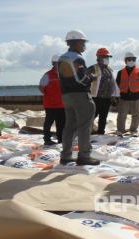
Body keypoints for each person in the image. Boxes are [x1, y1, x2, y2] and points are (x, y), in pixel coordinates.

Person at [58, 30, 100, 166]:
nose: (83, 46)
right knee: (84, 127)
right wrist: (92, 77)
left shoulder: (61, 58)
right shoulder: (77, 58)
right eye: (82, 43)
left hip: (66, 96)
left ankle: (65, 156)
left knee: (69, 127)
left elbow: (65, 77)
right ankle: (84, 156)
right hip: (80, 96)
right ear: (75, 42)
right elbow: (82, 79)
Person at [88, 48, 119, 135]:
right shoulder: (92, 68)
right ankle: (86, 133)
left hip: (107, 98)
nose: (107, 59)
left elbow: (112, 84)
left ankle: (101, 132)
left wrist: (113, 97)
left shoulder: (109, 69)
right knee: (92, 116)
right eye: (105, 57)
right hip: (95, 98)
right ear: (99, 57)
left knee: (103, 117)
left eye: (108, 57)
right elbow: (85, 81)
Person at [39, 54, 65, 145]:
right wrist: (50, 95)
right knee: (49, 122)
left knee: (61, 123)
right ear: (54, 64)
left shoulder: (64, 74)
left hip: (62, 104)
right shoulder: (48, 75)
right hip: (51, 104)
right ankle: (47, 139)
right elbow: (41, 87)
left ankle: (61, 139)